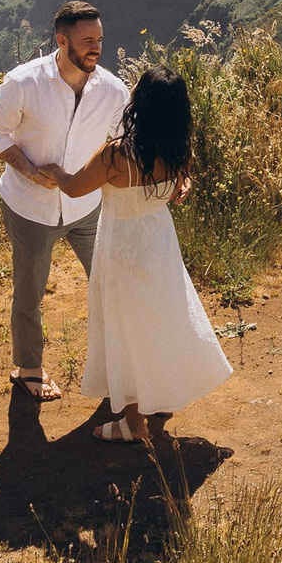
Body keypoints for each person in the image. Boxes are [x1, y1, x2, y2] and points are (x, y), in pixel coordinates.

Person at [49, 66, 234, 443]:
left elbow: (74, 188)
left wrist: (52, 169)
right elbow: (181, 181)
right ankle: (159, 395)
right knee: (158, 319)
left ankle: (134, 424)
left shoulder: (117, 155)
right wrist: (184, 183)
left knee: (125, 328)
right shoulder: (178, 149)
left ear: (141, 103)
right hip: (160, 245)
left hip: (122, 248)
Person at [0, 0, 128, 401]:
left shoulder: (113, 90)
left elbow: (125, 141)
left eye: (99, 39)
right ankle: (28, 368)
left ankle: (119, 363)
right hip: (30, 207)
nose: (96, 48)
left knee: (110, 283)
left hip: (88, 207)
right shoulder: (23, 82)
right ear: (62, 41)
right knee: (29, 292)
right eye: (87, 41)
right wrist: (31, 172)